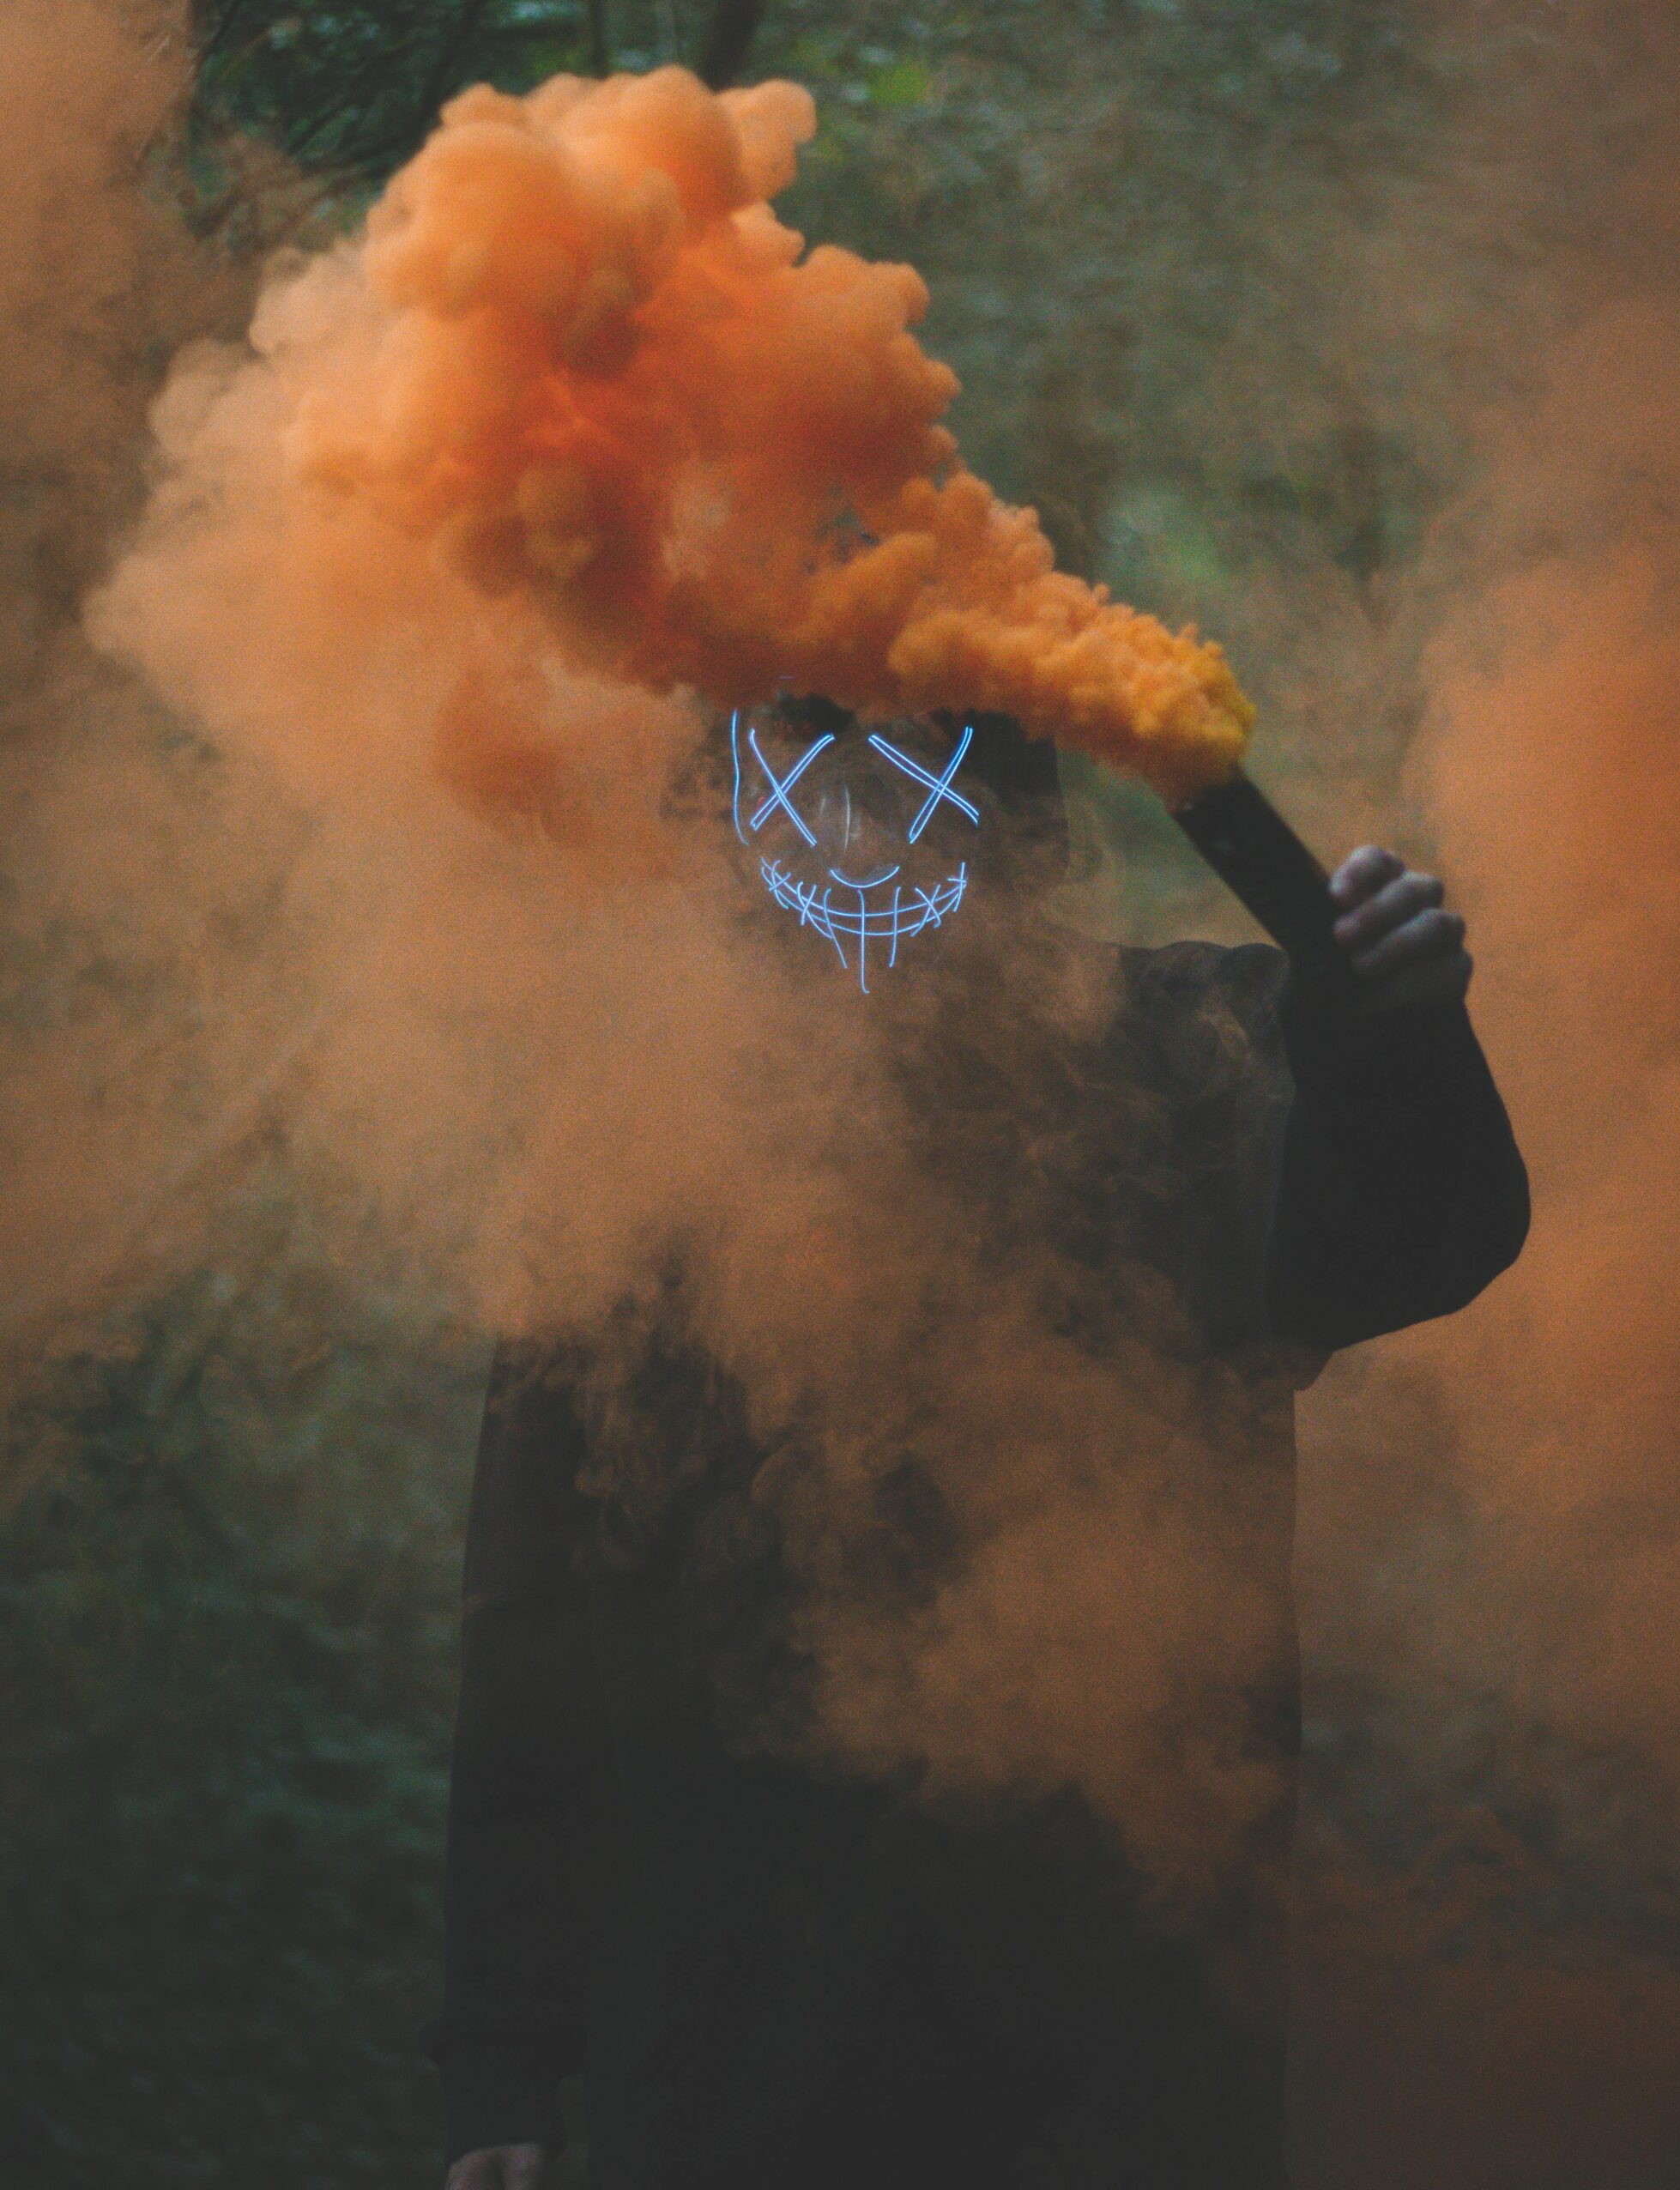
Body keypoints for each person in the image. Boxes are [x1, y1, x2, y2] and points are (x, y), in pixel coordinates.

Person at [424, 702, 1529, 2190]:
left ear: (1011, 818)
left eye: (913, 780)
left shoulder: (1195, 1062)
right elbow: (533, 1634)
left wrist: (1386, 1029)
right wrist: (504, 2059)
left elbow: (1422, 1230)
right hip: (723, 2051)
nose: (864, 836)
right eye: (810, 787)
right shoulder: (624, 1145)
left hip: (1115, 2047)